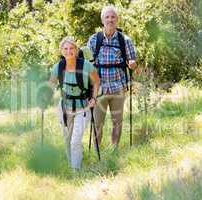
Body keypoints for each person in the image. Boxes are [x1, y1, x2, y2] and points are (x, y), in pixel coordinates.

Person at [87, 5, 136, 148]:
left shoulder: (125, 40)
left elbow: (132, 62)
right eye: (107, 17)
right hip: (99, 88)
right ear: (102, 20)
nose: (110, 20)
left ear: (117, 20)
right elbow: (87, 64)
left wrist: (132, 64)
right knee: (97, 122)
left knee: (117, 121)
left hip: (118, 87)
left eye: (113, 17)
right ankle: (97, 152)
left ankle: (114, 149)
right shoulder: (94, 39)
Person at [49, 36, 100, 169]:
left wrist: (93, 98)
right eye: (65, 49)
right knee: (67, 140)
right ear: (61, 51)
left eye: (71, 48)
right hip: (64, 108)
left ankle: (75, 171)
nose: (68, 51)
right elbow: (51, 84)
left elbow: (96, 81)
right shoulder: (58, 67)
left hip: (83, 107)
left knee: (75, 141)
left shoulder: (86, 65)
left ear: (76, 50)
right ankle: (72, 164)